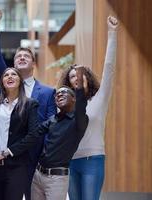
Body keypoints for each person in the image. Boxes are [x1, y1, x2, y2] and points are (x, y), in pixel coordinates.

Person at [0, 8, 57, 199]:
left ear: (33, 63)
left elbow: (52, 124)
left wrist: (44, 153)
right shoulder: (5, 86)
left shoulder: (48, 92)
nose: (22, 58)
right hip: (7, 160)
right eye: (18, 56)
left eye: (27, 56)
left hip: (36, 160)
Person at [57, 16, 118, 200]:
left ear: (87, 77)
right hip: (70, 162)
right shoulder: (65, 105)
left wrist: (112, 33)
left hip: (93, 160)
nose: (76, 78)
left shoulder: (100, 98)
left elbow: (109, 67)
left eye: (80, 74)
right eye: (72, 76)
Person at [31, 66, 89, 200]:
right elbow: (33, 134)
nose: (59, 95)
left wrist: (79, 80)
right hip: (38, 174)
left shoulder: (79, 120)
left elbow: (81, 105)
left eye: (64, 93)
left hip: (57, 179)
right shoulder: (53, 120)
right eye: (57, 94)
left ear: (74, 99)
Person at [0, 67, 39, 200]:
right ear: (2, 82)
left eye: (14, 74)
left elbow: (33, 136)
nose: (10, 77)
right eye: (6, 75)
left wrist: (7, 152)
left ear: (20, 81)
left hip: (17, 166)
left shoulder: (30, 104)